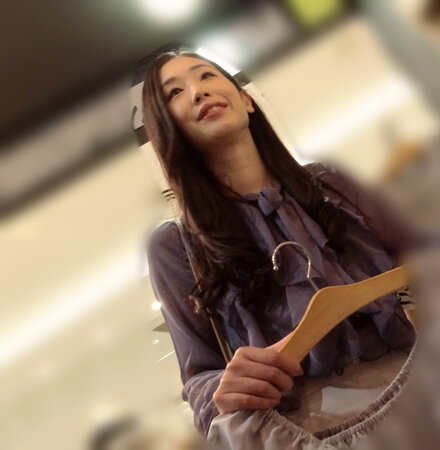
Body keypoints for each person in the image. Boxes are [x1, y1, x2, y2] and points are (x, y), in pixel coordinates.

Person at [142, 51, 416, 436]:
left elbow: (424, 263)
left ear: (246, 100)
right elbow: (199, 376)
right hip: (311, 434)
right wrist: (226, 388)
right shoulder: (174, 246)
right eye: (174, 93)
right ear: (166, 129)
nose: (198, 92)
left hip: (425, 388)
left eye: (206, 76)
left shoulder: (330, 184)